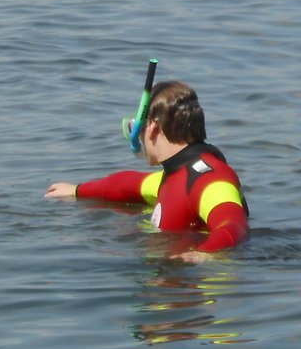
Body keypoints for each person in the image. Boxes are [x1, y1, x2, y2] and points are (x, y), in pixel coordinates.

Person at [45, 80, 248, 257]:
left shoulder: (209, 179)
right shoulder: (173, 176)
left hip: (193, 287)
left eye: (138, 128)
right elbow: (126, 184)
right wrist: (75, 190)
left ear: (151, 128)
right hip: (169, 284)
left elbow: (234, 226)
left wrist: (205, 253)